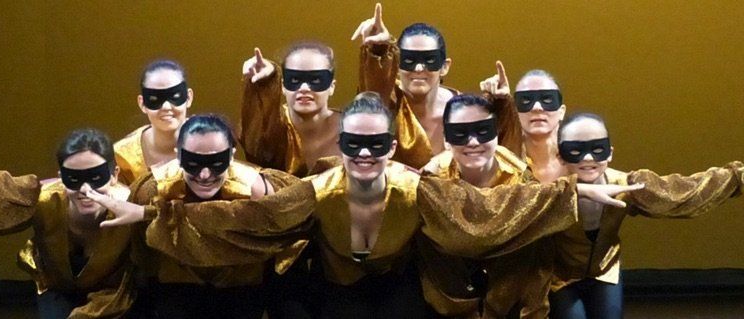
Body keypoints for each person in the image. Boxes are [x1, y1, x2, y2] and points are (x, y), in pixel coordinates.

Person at [103, 93, 642, 318]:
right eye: (354, 145)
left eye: (377, 145)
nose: (365, 154)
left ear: (392, 146)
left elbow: (488, 216)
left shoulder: (417, 188)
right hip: (334, 289)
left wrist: (570, 195)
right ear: (340, 149)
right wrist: (149, 214)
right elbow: (245, 217)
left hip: (397, 290)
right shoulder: (317, 190)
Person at [90, 114, 305, 319]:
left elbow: (293, 214)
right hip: (175, 289)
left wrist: (149, 214)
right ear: (178, 155)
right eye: (193, 162)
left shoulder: (255, 188)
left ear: (231, 155)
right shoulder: (152, 190)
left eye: (216, 162)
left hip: (241, 288)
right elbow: (143, 257)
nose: (204, 175)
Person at [548, 113, 743, 319]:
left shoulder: (626, 185)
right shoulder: (550, 194)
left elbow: (679, 194)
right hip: (561, 278)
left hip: (605, 271)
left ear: (610, 153)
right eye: (576, 150)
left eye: (597, 149)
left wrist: (735, 176)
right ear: (560, 155)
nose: (588, 158)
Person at [0, 128, 135, 318]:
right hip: (55, 287)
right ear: (61, 177)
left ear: (114, 174)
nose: (85, 190)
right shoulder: (44, 200)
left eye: (95, 177)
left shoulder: (132, 208)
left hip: (113, 297)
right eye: (74, 179)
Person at [420, 93, 552, 318]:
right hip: (449, 306)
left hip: (508, 303)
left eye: (482, 131)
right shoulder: (432, 183)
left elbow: (536, 266)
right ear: (446, 139)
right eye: (460, 133)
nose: (473, 142)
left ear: (495, 134)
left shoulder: (520, 179)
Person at [351, 4, 523, 168]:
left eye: (429, 60)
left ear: (445, 67)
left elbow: (505, 160)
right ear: (397, 65)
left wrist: (503, 106)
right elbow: (372, 96)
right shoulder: (386, 102)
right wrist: (379, 50)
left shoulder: (464, 111)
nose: (418, 68)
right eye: (409, 60)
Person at [240, 42, 340, 176]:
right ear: (282, 86)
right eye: (294, 79)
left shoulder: (353, 127)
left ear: (332, 87)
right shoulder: (271, 127)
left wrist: (375, 53)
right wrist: (267, 82)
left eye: (316, 79)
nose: (304, 88)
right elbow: (254, 141)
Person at [115, 59, 193, 185]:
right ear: (142, 103)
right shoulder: (123, 157)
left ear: (189, 97)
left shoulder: (213, 143)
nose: (166, 107)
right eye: (154, 99)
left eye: (175, 96)